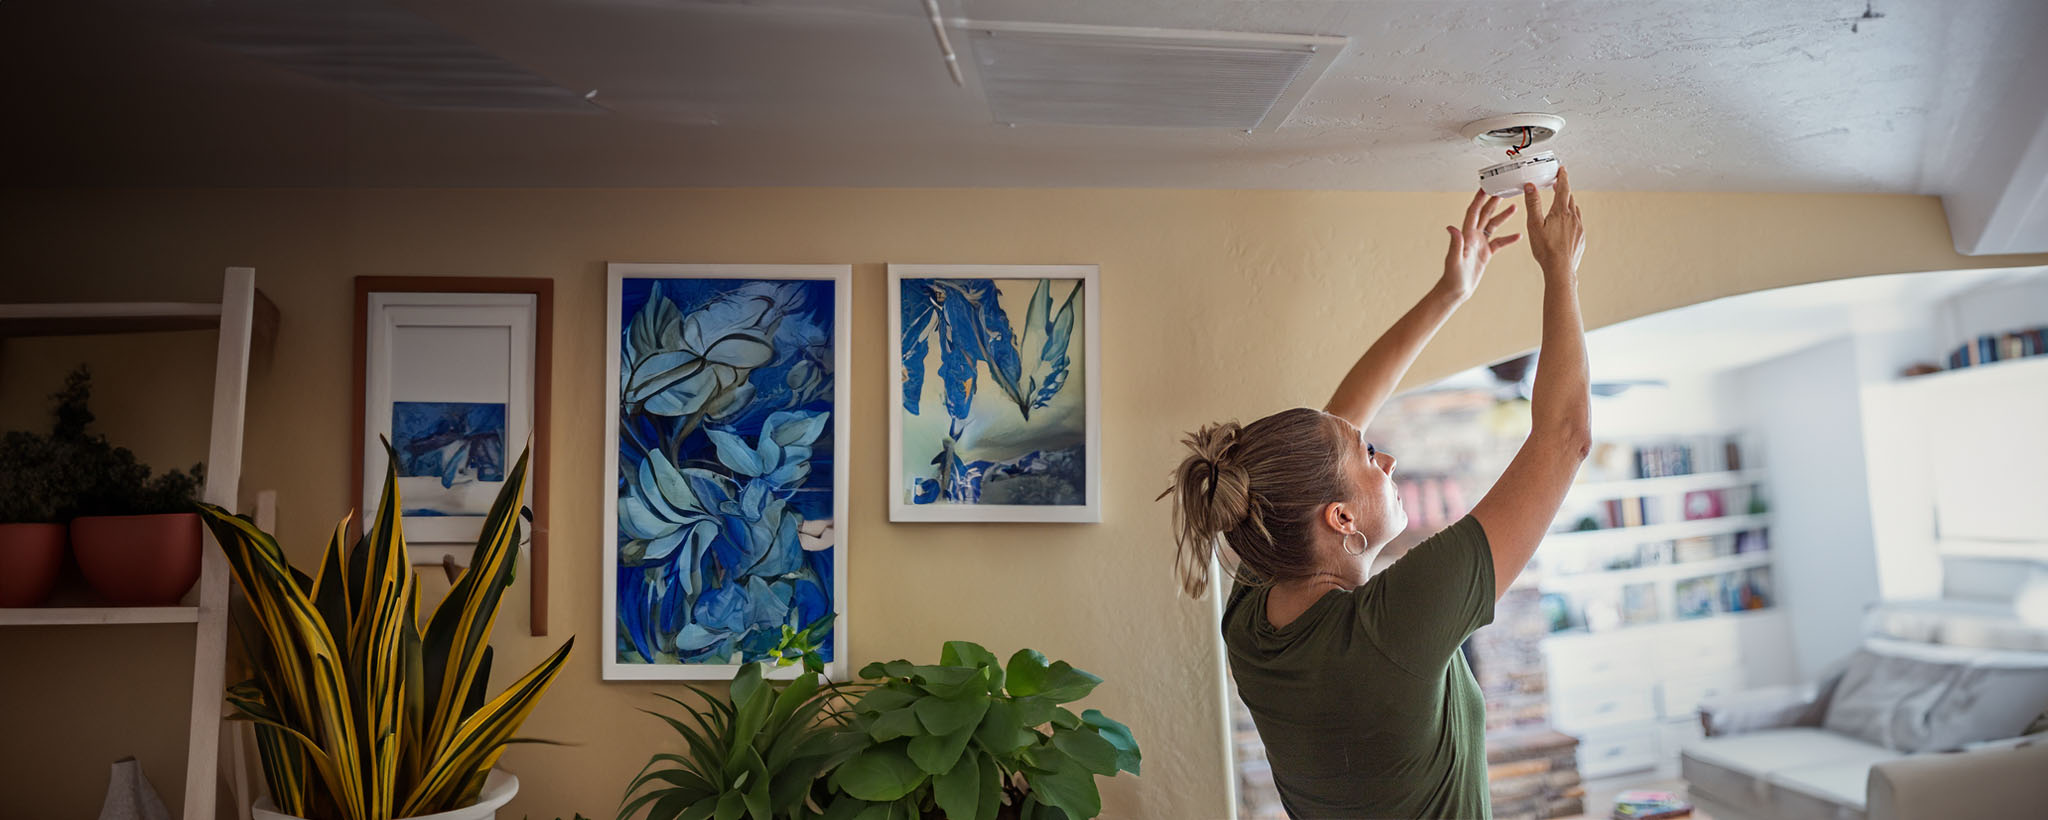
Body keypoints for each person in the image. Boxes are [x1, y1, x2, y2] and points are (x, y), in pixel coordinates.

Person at [1165, 172, 1591, 819]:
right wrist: (1560, 268)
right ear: (1338, 518)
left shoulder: (1257, 614)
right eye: (1370, 458)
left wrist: (1452, 291)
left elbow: (1334, 435)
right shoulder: (1393, 625)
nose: (1386, 458)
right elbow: (1564, 438)